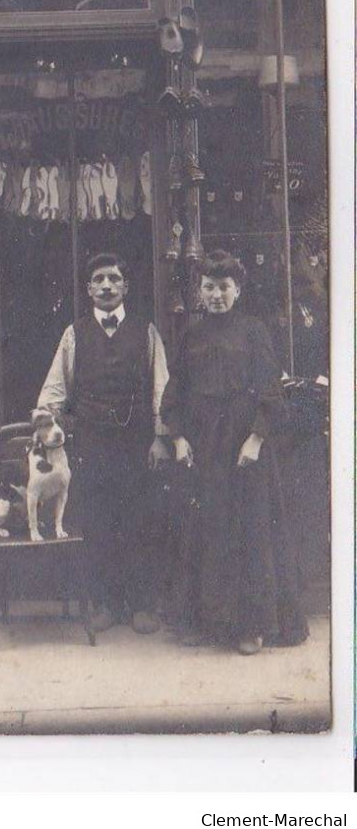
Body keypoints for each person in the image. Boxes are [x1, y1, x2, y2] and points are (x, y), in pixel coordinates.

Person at [161, 250, 308, 654]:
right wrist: (178, 437)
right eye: (209, 287)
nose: (216, 295)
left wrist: (256, 438)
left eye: (224, 287)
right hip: (204, 444)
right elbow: (176, 391)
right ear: (199, 291)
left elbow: (270, 388)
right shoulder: (191, 334)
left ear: (238, 290)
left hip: (245, 445)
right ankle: (210, 623)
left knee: (250, 530)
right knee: (209, 529)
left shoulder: (253, 331)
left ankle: (252, 627)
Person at [38, 252, 171, 634]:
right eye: (99, 279)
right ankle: (107, 604)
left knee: (140, 521)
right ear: (89, 289)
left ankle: (142, 605)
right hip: (91, 445)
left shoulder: (146, 331)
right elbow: (53, 393)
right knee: (97, 522)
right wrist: (54, 431)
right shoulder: (74, 334)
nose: (107, 286)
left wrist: (160, 439)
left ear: (126, 287)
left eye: (114, 278)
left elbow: (161, 388)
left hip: (137, 443)